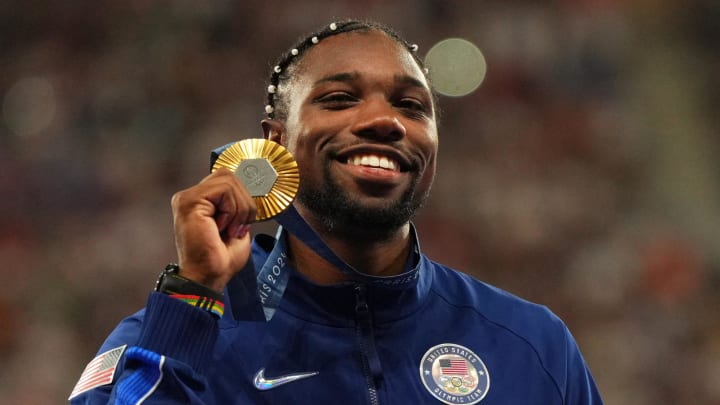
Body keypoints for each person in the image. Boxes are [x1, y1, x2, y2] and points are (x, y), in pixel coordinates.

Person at [69, 19, 603, 404]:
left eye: (411, 106)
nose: (383, 121)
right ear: (274, 143)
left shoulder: (531, 344)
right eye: (340, 98)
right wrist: (193, 294)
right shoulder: (172, 336)